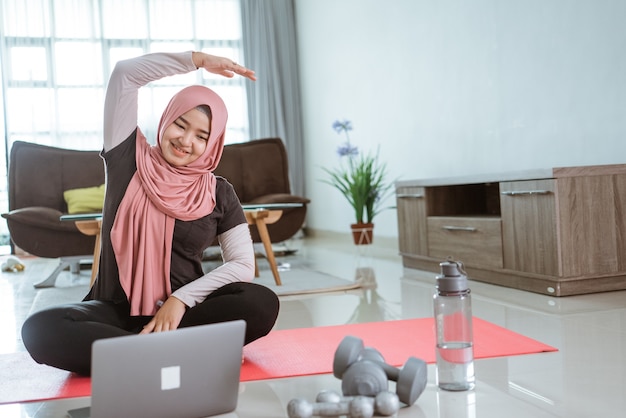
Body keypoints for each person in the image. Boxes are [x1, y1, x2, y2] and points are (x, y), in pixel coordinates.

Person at [21, 51, 280, 376]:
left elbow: (242, 265)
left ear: (214, 143)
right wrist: (197, 60)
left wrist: (180, 300)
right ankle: (181, 349)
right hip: (116, 310)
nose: (186, 141)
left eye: (201, 136)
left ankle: (133, 353)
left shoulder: (219, 192)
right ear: (166, 119)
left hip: (184, 312)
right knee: (40, 329)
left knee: (262, 303)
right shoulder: (126, 158)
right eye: (180, 125)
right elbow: (125, 75)